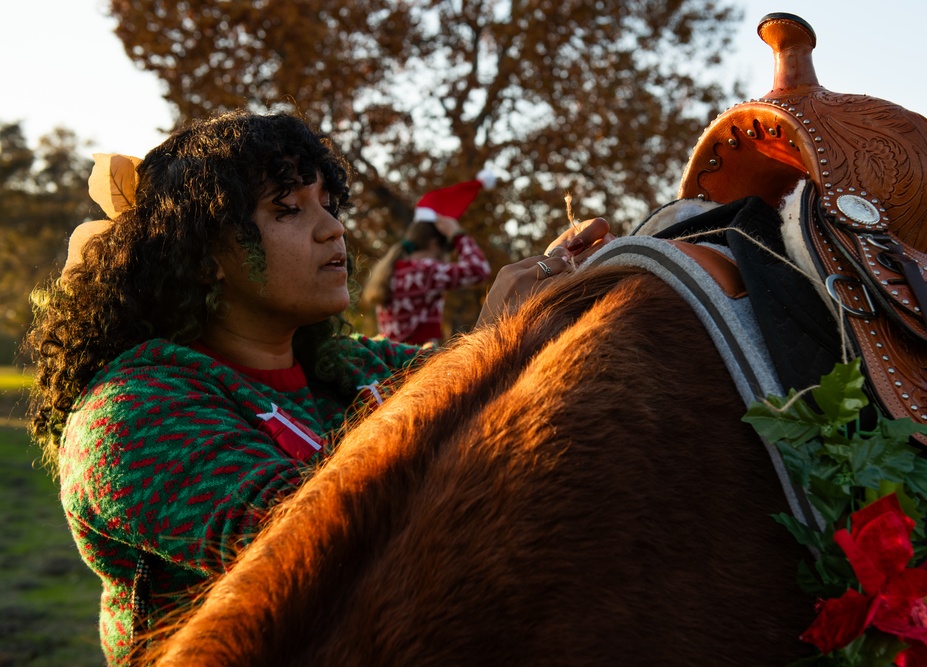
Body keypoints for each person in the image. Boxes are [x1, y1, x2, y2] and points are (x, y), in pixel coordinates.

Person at [24, 110, 611, 666]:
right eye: (288, 209)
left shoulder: (355, 367)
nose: (334, 230)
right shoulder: (128, 415)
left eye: (329, 205)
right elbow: (328, 554)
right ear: (205, 257)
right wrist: (491, 347)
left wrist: (573, 313)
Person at [360, 172, 494, 345]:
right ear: (433, 244)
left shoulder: (393, 269)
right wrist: (457, 234)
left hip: (391, 360)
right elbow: (480, 270)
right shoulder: (425, 271)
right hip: (416, 363)